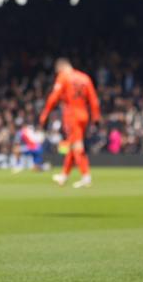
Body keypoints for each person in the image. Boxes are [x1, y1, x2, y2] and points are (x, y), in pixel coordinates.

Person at [39, 58, 100, 188]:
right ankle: (64, 175)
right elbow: (94, 99)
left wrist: (45, 114)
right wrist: (96, 117)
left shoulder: (64, 77)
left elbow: (54, 97)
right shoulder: (85, 78)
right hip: (84, 115)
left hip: (72, 115)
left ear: (60, 68)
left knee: (77, 146)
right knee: (73, 145)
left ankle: (86, 176)